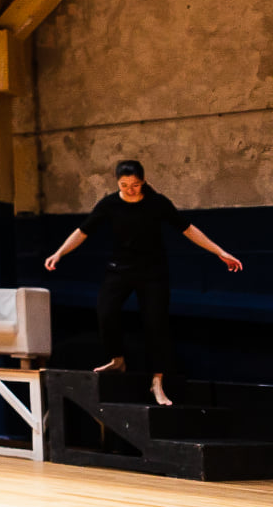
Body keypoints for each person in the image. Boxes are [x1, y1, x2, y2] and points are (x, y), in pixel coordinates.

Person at [43, 159, 243, 407]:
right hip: (120, 270)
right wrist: (59, 252)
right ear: (118, 183)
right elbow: (83, 231)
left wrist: (220, 252)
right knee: (105, 312)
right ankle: (117, 359)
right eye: (124, 184)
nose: (130, 189)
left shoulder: (157, 203)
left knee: (156, 324)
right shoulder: (109, 204)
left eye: (135, 184)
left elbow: (188, 229)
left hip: (153, 272)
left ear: (143, 181)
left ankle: (157, 382)